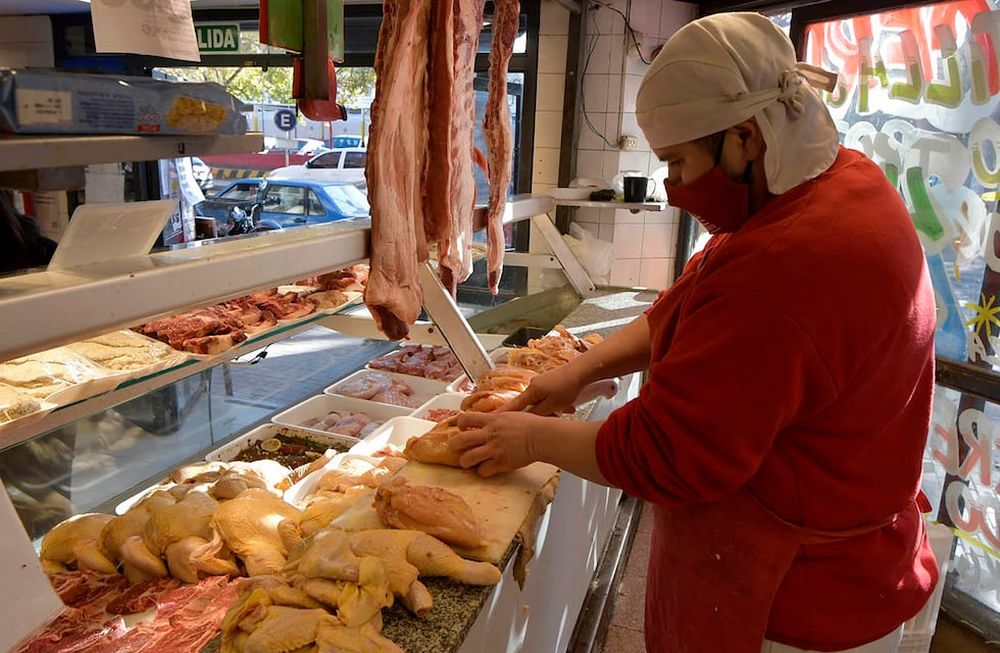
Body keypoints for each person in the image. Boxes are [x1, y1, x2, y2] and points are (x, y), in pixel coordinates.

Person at [449, 12, 938, 653]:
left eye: (678, 164)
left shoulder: (793, 260)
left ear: (746, 139)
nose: (674, 190)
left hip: (798, 599)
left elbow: (669, 456)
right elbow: (689, 301)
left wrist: (533, 440)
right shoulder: (833, 182)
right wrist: (580, 368)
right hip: (836, 547)